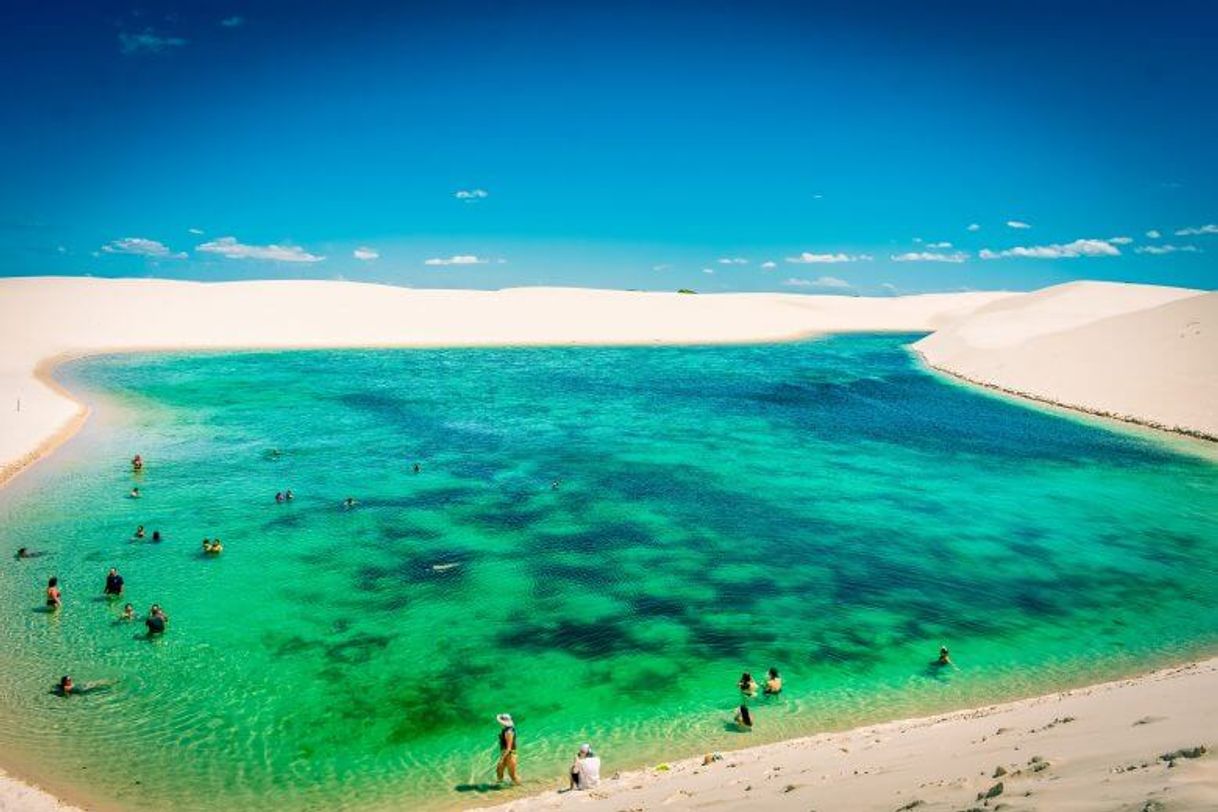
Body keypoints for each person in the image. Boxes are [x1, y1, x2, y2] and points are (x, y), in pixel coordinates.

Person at [495, 713, 520, 786]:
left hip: (510, 754)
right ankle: (500, 787)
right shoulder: (505, 729)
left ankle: (520, 787)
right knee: (499, 770)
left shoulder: (509, 732)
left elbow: (509, 747)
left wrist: (502, 759)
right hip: (506, 753)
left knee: (512, 775)